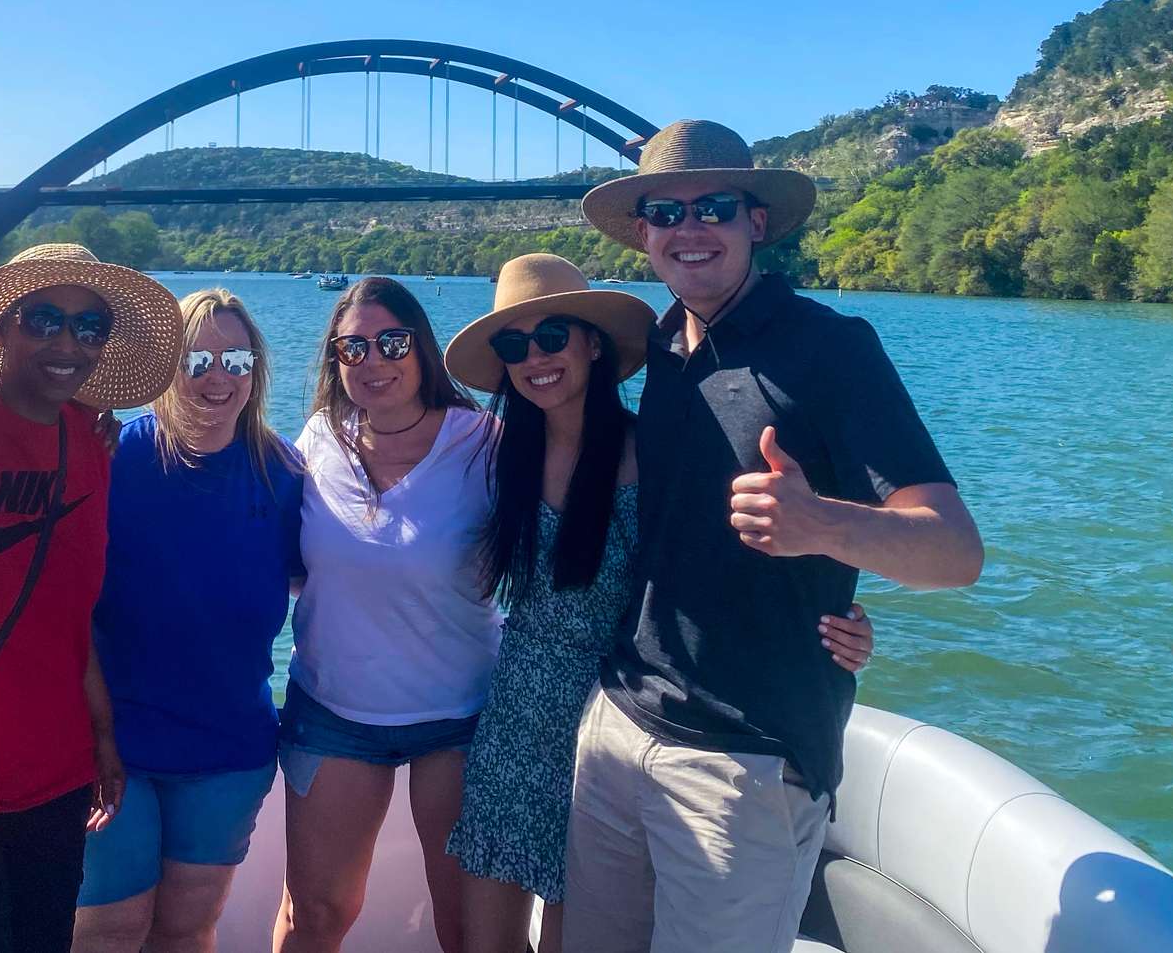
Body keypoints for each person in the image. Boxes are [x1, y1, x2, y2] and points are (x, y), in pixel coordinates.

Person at [562, 120, 985, 953]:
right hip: (616, 724)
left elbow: (955, 553)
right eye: (665, 211)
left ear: (757, 221)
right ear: (642, 232)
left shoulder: (832, 350)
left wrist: (823, 525)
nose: (690, 229)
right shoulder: (663, 342)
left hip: (742, 764)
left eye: (713, 206)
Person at [440, 255, 876, 953]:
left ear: (592, 343)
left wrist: (839, 624)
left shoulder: (653, 452)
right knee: (482, 940)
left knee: (572, 935)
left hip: (609, 714)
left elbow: (737, 561)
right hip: (516, 714)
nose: (535, 359)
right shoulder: (500, 453)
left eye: (553, 335)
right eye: (514, 346)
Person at [0, 242, 182, 953]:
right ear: (0, 331)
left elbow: (66, 611)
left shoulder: (91, 443)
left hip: (54, 762)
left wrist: (101, 736)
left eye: (89, 327)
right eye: (43, 319)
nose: (67, 343)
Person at [74, 288, 304, 953]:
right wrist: (92, 730)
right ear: (162, 365)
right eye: (196, 357)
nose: (217, 376)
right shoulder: (113, 458)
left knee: (185, 930)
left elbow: (329, 577)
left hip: (228, 749)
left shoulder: (283, 473)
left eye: (236, 360)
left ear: (256, 371)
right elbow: (67, 603)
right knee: (108, 929)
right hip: (115, 747)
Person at [273, 277, 498, 953]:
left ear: (422, 347)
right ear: (335, 360)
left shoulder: (485, 443)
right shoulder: (317, 439)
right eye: (353, 348)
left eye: (391, 342)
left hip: (459, 716)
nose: (373, 361)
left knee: (464, 921)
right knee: (316, 913)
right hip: (334, 711)